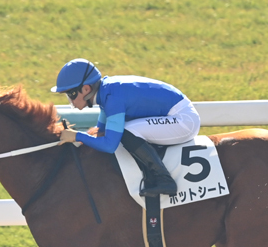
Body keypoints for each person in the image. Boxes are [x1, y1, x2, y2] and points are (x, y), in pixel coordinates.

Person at [51, 58, 201, 197]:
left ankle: (164, 180)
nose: (71, 101)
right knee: (124, 130)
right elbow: (99, 133)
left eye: (71, 94)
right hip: (177, 115)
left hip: (184, 120)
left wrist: (76, 136)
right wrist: (76, 138)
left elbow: (110, 145)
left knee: (127, 131)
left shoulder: (113, 98)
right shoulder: (106, 93)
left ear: (86, 89)